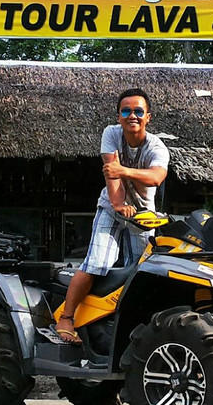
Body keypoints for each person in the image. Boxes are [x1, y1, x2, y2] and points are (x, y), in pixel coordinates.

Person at [54, 88, 169, 344]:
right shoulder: (111, 133)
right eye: (126, 111)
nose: (132, 116)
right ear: (119, 116)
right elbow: (110, 174)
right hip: (110, 207)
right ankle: (66, 318)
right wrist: (118, 205)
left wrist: (123, 170)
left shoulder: (157, 147)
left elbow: (156, 177)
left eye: (138, 111)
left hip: (143, 215)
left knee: (141, 270)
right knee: (97, 263)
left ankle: (128, 325)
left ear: (148, 117)